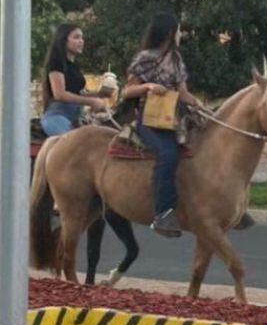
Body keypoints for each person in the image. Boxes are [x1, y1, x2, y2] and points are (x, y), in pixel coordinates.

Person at [122, 13, 202, 237]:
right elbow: (127, 91)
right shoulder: (144, 58)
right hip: (149, 120)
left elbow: (182, 93)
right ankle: (162, 213)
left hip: (174, 120)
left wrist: (200, 106)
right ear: (169, 32)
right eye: (178, 30)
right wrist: (148, 87)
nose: (180, 34)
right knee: (168, 154)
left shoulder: (177, 60)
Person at [39, 24, 109, 136]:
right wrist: (91, 101)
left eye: (82, 38)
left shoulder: (73, 67)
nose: (81, 41)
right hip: (57, 117)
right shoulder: (56, 63)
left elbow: (75, 94)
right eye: (76, 37)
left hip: (74, 119)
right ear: (63, 40)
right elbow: (59, 94)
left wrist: (100, 94)